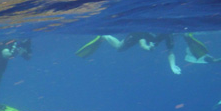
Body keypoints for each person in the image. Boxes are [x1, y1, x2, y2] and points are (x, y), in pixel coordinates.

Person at [76, 33, 208, 75]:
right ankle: (104, 36)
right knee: (119, 47)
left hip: (147, 38)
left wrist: (172, 66)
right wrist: (148, 48)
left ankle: (188, 35)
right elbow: (142, 43)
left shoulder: (168, 35)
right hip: (137, 34)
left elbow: (170, 52)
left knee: (120, 48)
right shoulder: (146, 33)